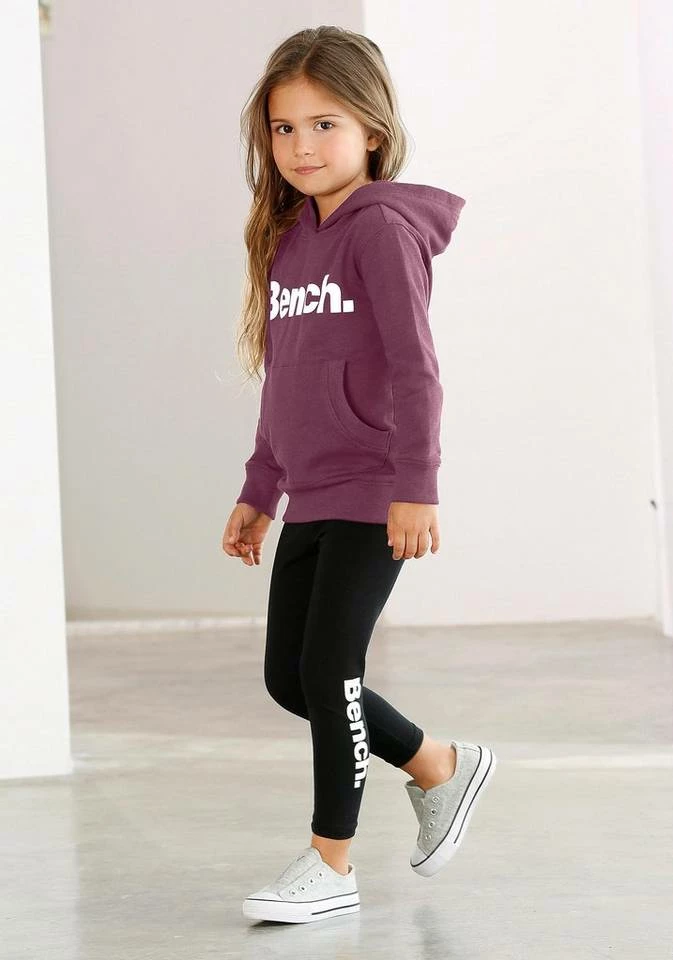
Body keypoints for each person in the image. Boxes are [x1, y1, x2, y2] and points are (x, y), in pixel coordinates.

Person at [222, 25, 497, 925]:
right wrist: (260, 488)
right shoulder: (288, 239)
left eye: (324, 124)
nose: (301, 146)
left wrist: (416, 484)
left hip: (377, 488)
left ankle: (331, 862)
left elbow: (416, 368)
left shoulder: (379, 229)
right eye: (283, 128)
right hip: (311, 489)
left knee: (331, 668)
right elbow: (286, 380)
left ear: (371, 130)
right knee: (290, 677)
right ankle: (439, 766)